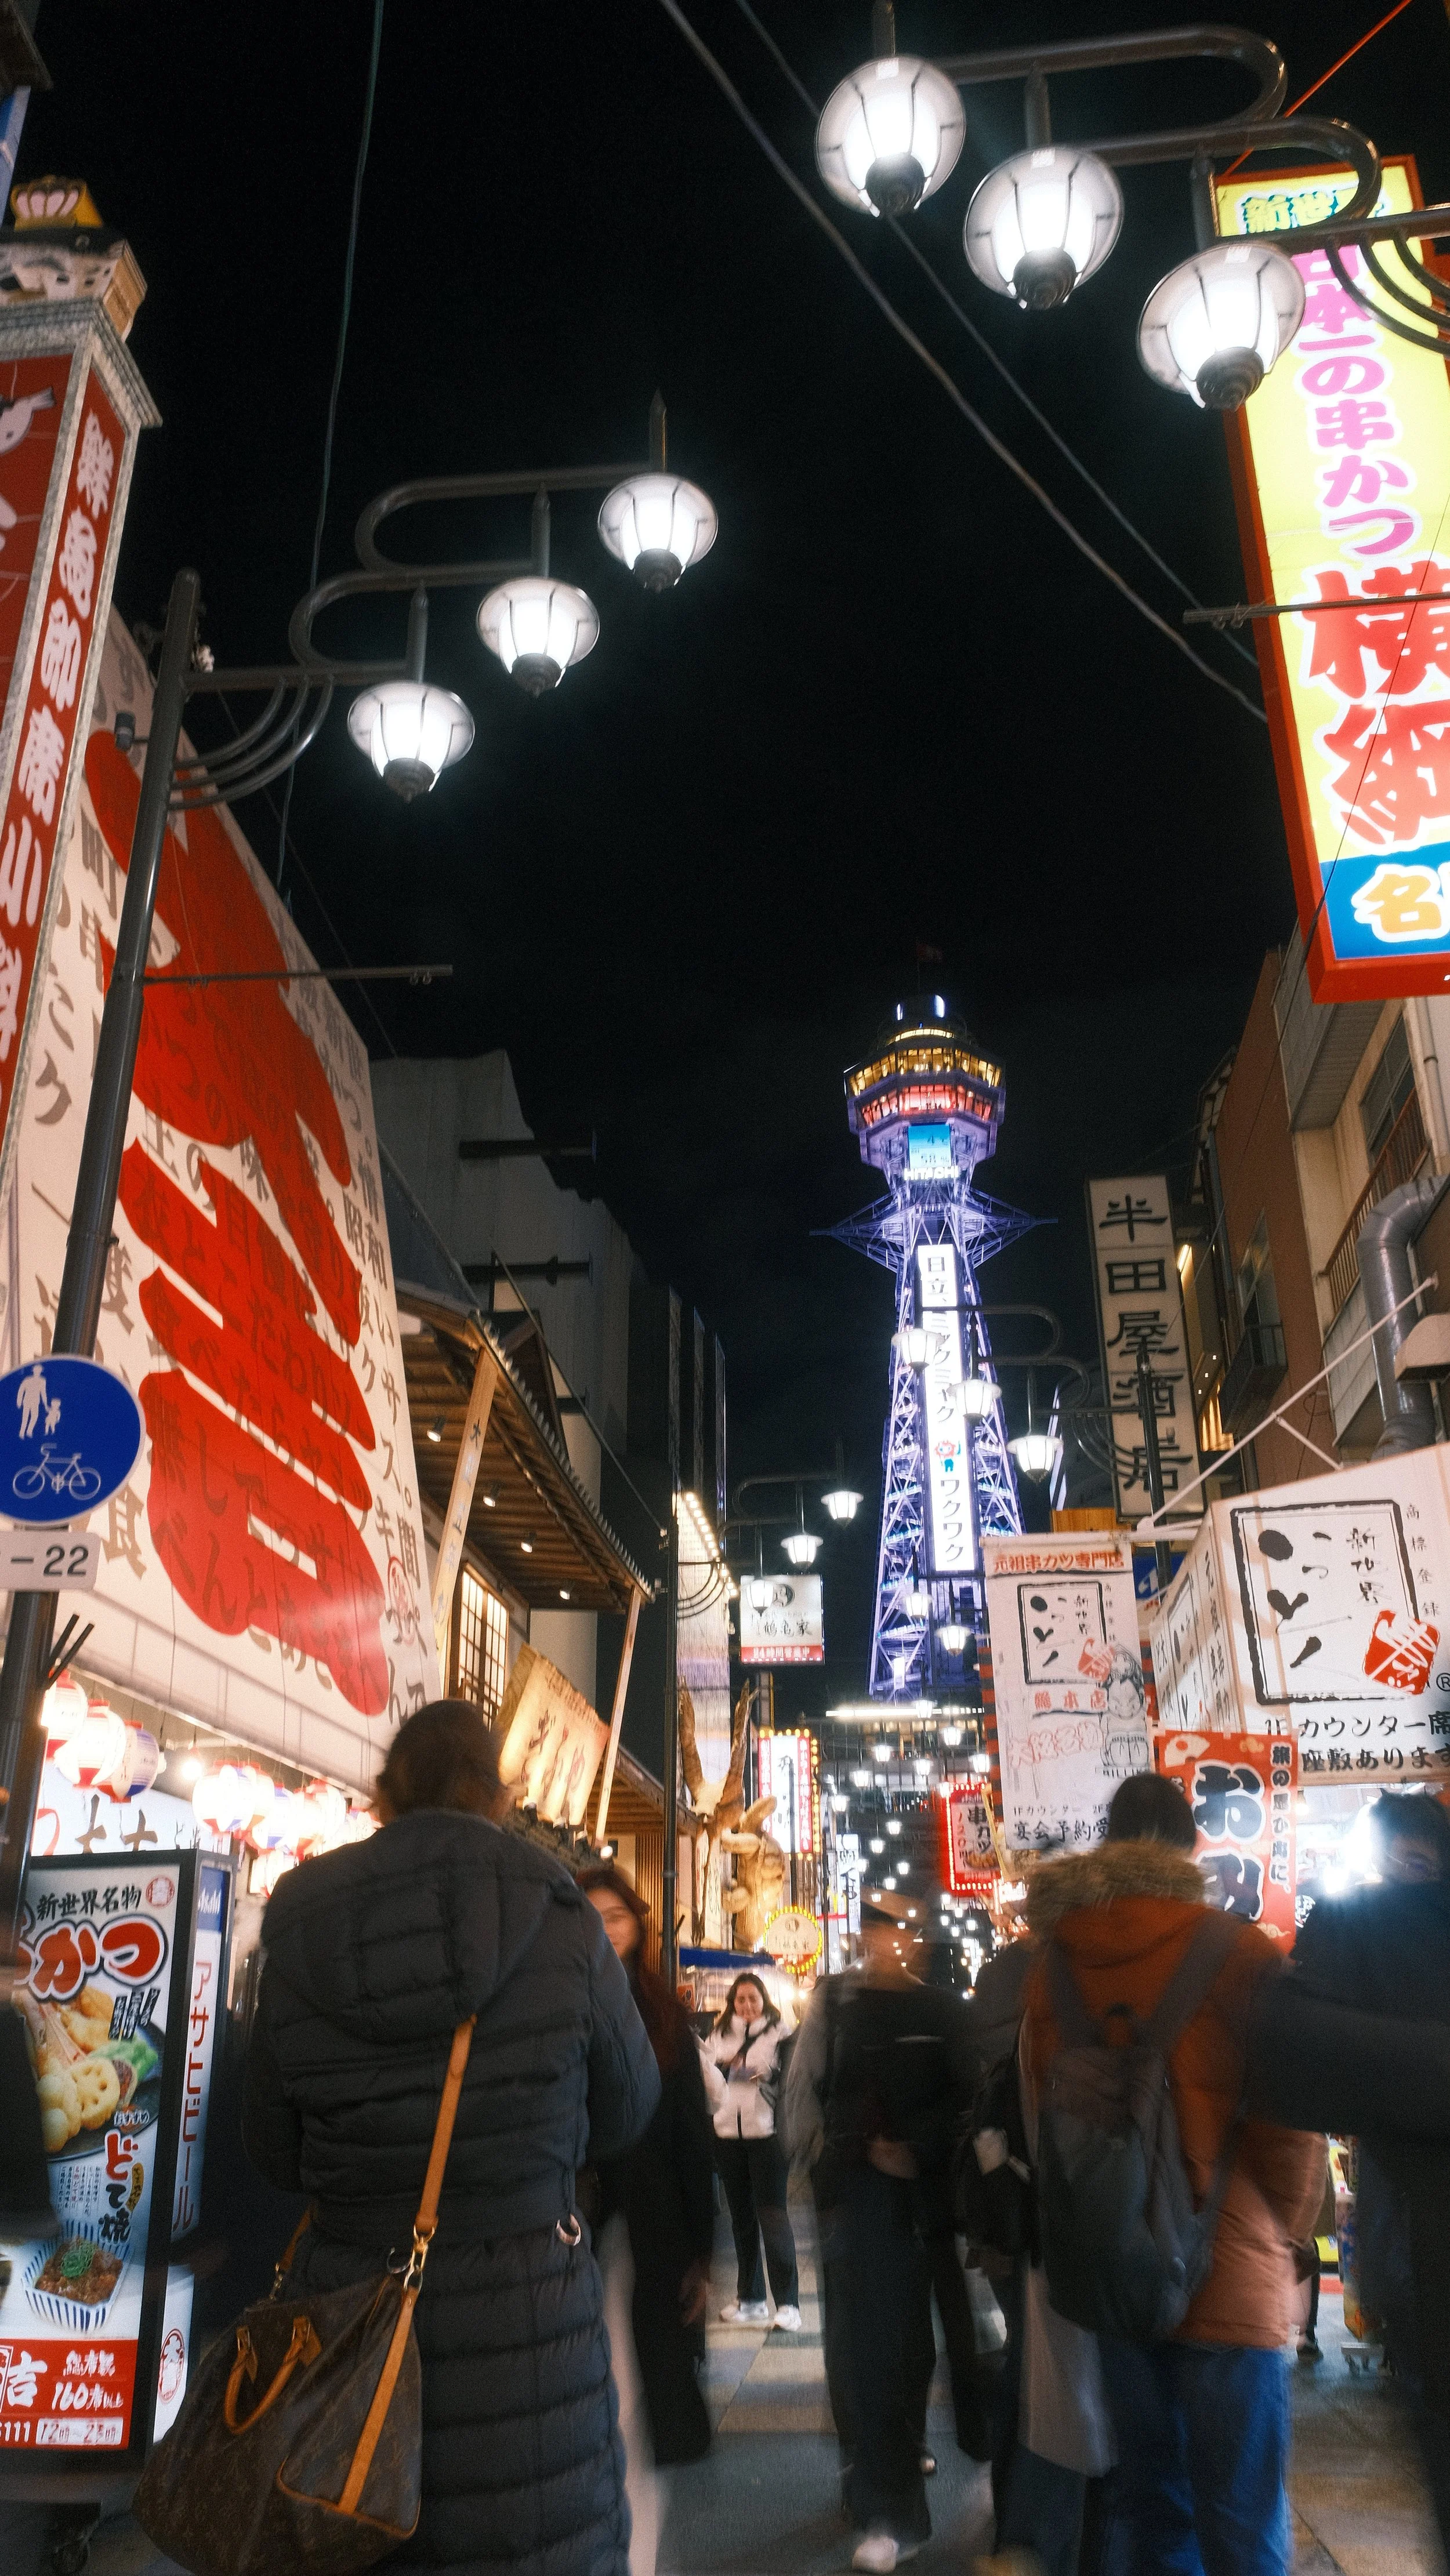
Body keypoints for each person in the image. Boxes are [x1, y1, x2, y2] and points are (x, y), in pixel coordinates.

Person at [242, 1701, 659, 2576]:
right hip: (526, 2311)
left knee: (340, 2537)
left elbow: (271, 2147)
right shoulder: (562, 1914)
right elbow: (628, 2106)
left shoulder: (304, 1920)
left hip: (345, 2307)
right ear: (497, 1794)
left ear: (386, 1791)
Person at [1020, 1770, 1324, 2576]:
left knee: (1152, 2508)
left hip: (1115, 2268)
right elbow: (1290, 2122)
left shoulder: (1056, 1962)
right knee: (1244, 2518)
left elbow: (1043, 2111)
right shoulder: (1241, 1952)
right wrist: (1287, 2239)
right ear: (1191, 1847)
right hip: (1231, 2269)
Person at [786, 1897, 977, 2574]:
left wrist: (916, 2147)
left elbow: (968, 2098)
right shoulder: (839, 2003)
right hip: (856, 2202)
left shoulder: (942, 2011)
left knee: (918, 2351)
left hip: (925, 2205)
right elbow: (810, 2089)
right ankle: (884, 2507)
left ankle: (930, 2471)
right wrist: (818, 2166)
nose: (888, 1940)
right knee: (865, 2354)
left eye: (900, 1928)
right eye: (876, 1926)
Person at [1292, 1790, 1450, 2559]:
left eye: (1412, 1864)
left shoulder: (1376, 1937)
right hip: (1408, 2225)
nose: (1398, 1881)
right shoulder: (1364, 1935)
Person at [577, 1862, 715, 2553]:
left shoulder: (663, 2014)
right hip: (576, 2223)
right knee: (587, 2396)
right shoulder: (554, 2006)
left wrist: (704, 2252)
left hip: (653, 2227)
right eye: (592, 1917)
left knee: (639, 2400)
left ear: (637, 1925)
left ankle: (638, 2550)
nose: (606, 1930)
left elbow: (693, 2136)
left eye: (617, 1916)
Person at [700, 1969, 801, 2330]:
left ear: (763, 2000)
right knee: (741, 2219)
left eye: (752, 1999)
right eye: (740, 1999)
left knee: (773, 2217)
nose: (746, 2006)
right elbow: (705, 2075)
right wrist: (721, 2067)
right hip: (728, 2135)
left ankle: (788, 2303)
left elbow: (791, 2078)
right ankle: (750, 2298)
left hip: (767, 2136)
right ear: (732, 2003)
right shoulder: (718, 2035)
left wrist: (759, 2075)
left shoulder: (781, 2033)